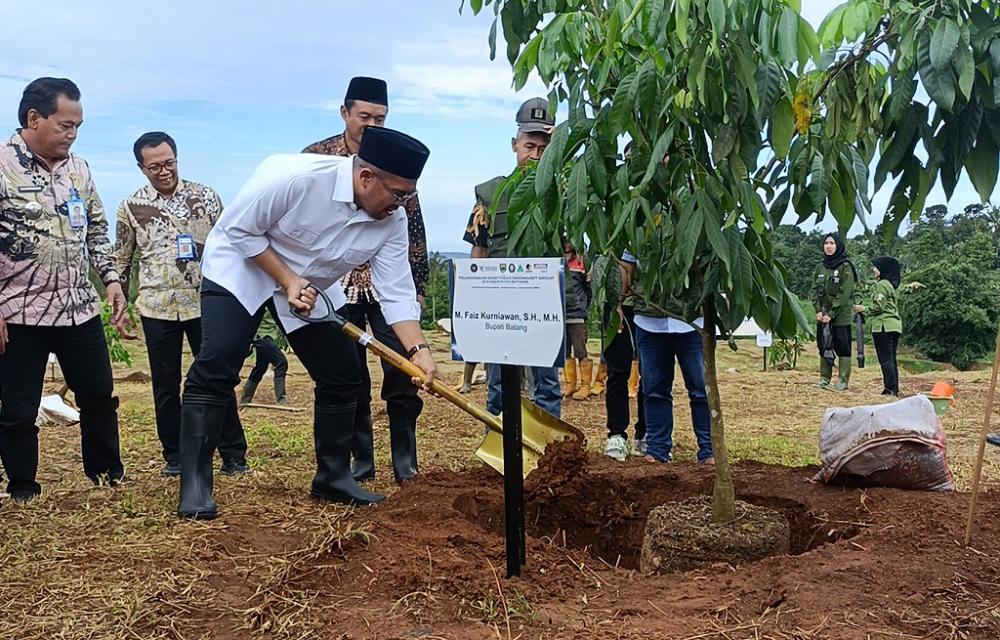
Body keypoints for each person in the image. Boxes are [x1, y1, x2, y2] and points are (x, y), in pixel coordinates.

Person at [177, 125, 436, 519]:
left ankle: (332, 476)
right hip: (242, 266)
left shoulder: (391, 221)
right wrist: (286, 279)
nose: (401, 205)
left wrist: (419, 351)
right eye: (398, 194)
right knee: (218, 364)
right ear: (365, 177)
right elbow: (239, 230)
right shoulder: (296, 178)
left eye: (409, 195)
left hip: (311, 286)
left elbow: (397, 292)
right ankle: (194, 482)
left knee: (343, 373)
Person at [0, 77, 126, 500]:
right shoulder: (2, 165)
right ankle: (23, 488)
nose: (72, 135)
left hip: (79, 309)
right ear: (34, 118)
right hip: (18, 312)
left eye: (78, 127)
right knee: (17, 410)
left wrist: (110, 279)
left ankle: (107, 475)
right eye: (64, 125)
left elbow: (95, 231)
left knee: (98, 398)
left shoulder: (80, 169)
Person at [302, 76, 427, 484]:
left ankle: (404, 458)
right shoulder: (316, 158)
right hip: (336, 286)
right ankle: (361, 458)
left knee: (403, 372)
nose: (371, 125)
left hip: (385, 287)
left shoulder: (398, 163)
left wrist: (418, 294)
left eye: (381, 118)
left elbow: (413, 233)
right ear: (345, 113)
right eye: (364, 117)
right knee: (350, 375)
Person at [114, 131, 249, 477]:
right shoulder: (131, 206)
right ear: (141, 167)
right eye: (154, 166)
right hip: (156, 305)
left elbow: (230, 246)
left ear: (177, 157)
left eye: (169, 163)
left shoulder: (205, 196)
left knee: (217, 379)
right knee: (165, 385)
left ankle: (233, 454)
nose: (164, 171)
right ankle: (175, 456)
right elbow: (122, 259)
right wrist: (119, 303)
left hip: (204, 303)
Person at [463, 98, 562, 418]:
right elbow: (478, 250)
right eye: (529, 146)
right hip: (498, 310)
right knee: (499, 388)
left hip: (544, 308)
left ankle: (550, 454)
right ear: (514, 144)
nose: (535, 155)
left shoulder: (561, 193)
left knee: (546, 386)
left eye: (544, 149)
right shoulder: (490, 195)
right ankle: (499, 453)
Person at [624, 251, 713, 464]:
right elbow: (627, 266)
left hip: (692, 320)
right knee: (654, 390)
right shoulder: (639, 223)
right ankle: (657, 450)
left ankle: (709, 450)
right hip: (649, 320)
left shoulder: (698, 220)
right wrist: (618, 301)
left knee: (701, 389)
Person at [596, 255, 646, 460]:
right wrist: (617, 302)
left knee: (651, 374)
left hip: (648, 307)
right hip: (616, 305)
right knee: (617, 371)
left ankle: (645, 433)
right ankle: (616, 434)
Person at [811, 233, 862, 391]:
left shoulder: (845, 267)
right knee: (824, 345)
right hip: (823, 314)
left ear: (838, 246)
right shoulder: (820, 266)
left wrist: (831, 314)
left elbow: (844, 293)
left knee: (842, 346)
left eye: (832, 243)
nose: (828, 246)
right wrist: (819, 311)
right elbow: (813, 290)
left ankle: (842, 380)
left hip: (840, 315)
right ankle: (824, 378)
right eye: (826, 243)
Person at [859, 256, 902, 397]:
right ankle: (894, 388)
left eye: (875, 267)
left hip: (884, 326)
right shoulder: (892, 285)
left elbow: (878, 307)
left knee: (885, 359)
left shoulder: (882, 284)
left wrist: (863, 309)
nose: (873, 269)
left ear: (883, 269)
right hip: (894, 325)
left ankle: (889, 389)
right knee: (891, 359)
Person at [563, 240, 594, 400]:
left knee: (581, 351)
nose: (567, 244)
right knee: (565, 351)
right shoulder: (558, 260)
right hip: (561, 315)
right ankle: (570, 384)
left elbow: (588, 289)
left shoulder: (582, 261)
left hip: (577, 314)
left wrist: (583, 307)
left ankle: (585, 386)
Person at [239, 311, 289, 406]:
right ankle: (281, 400)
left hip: (268, 336)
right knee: (281, 363)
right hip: (263, 337)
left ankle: (245, 398)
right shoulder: (261, 303)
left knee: (261, 367)